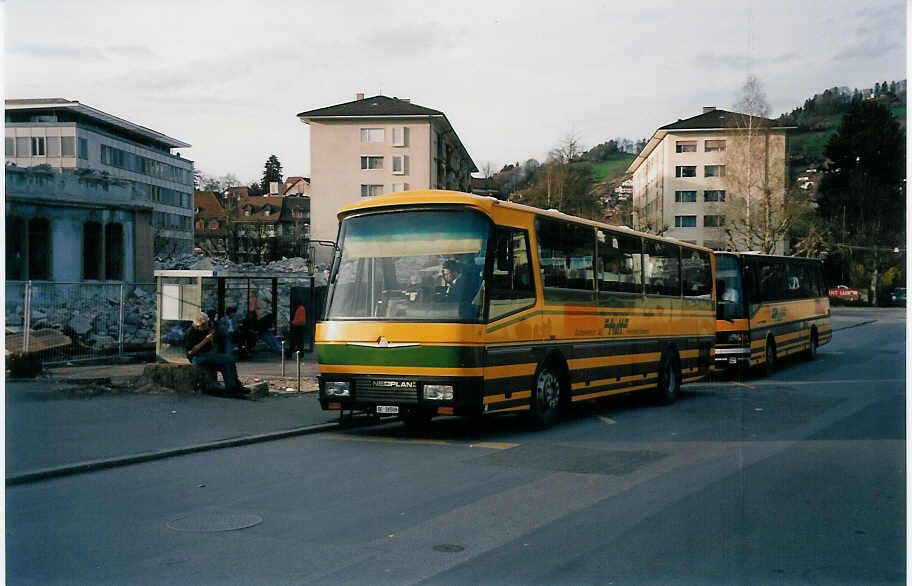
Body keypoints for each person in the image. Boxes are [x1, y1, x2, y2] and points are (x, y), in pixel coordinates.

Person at [184, 311, 246, 395]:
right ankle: (235, 386)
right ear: (198, 325)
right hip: (197, 357)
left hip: (207, 354)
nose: (205, 327)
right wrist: (205, 340)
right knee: (229, 359)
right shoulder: (190, 332)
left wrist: (212, 338)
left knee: (225, 365)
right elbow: (190, 352)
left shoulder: (206, 328)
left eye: (206, 324)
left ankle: (232, 387)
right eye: (203, 325)